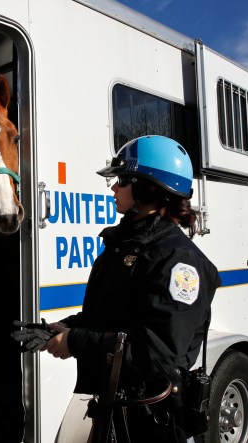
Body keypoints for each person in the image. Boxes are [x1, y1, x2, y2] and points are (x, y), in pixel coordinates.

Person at [41, 135, 221, 442]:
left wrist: (77, 341)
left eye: (123, 180)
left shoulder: (180, 260)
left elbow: (158, 353)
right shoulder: (126, 245)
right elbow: (113, 317)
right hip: (118, 412)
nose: (113, 188)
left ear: (149, 187)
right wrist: (64, 328)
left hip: (153, 423)